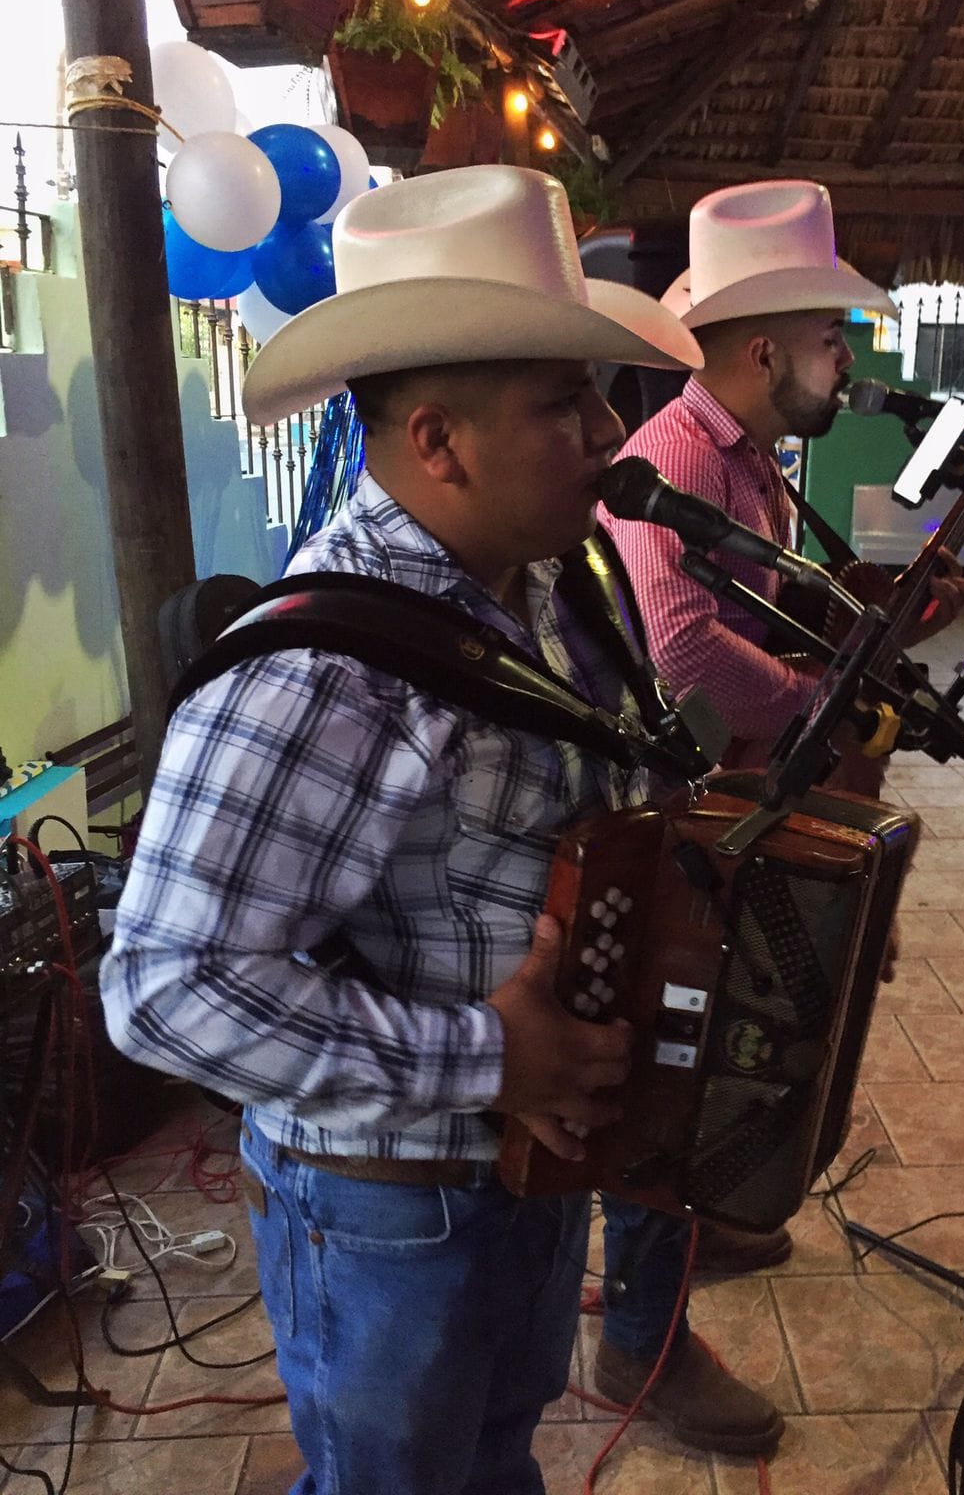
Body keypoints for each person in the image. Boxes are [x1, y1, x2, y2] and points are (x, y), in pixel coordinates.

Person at [100, 165, 711, 1495]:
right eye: (564, 401)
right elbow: (160, 988)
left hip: (524, 1164)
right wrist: (489, 1055)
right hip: (386, 1203)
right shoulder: (324, 670)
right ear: (439, 441)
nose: (610, 429)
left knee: (493, 1459)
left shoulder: (558, 576)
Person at [594, 179, 964, 1439]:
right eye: (830, 337)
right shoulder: (677, 459)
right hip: (685, 805)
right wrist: (818, 699)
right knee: (680, 1051)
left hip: (731, 793)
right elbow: (681, 650)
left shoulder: (750, 459)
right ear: (763, 349)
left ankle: (698, 1226)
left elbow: (759, 614)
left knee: (724, 1039)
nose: (844, 359)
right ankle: (640, 1343)